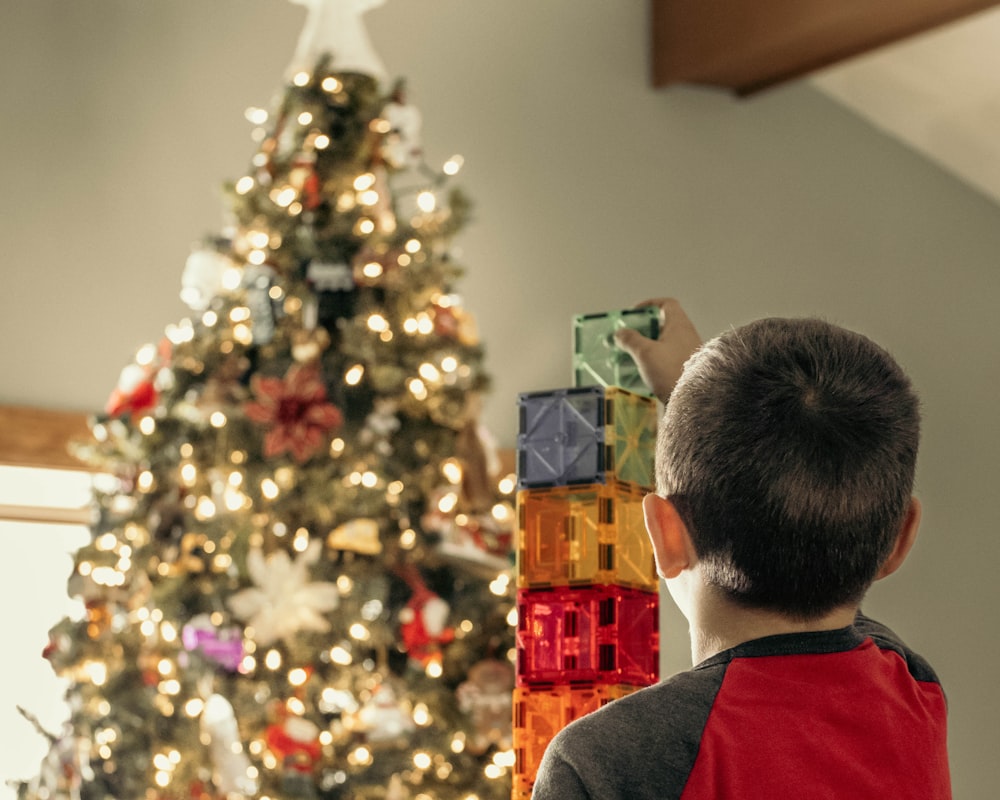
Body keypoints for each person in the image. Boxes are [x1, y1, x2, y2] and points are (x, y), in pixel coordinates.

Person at [530, 298, 951, 799]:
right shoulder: (913, 687)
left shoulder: (604, 763)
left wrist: (693, 395)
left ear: (663, 533)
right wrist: (690, 390)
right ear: (899, 539)